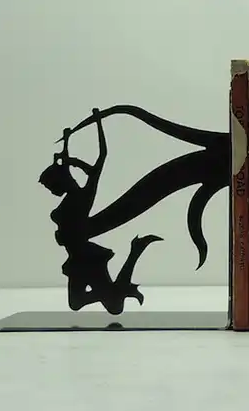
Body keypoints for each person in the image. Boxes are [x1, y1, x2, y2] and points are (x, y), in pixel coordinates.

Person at [39, 108, 162, 314]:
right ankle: (114, 289)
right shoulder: (70, 196)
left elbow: (102, 155)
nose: (51, 191)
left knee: (115, 307)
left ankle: (135, 251)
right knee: (76, 304)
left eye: (50, 186)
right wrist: (67, 142)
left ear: (58, 181)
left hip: (88, 259)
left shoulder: (83, 196)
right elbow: (65, 164)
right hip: (76, 258)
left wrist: (98, 122)